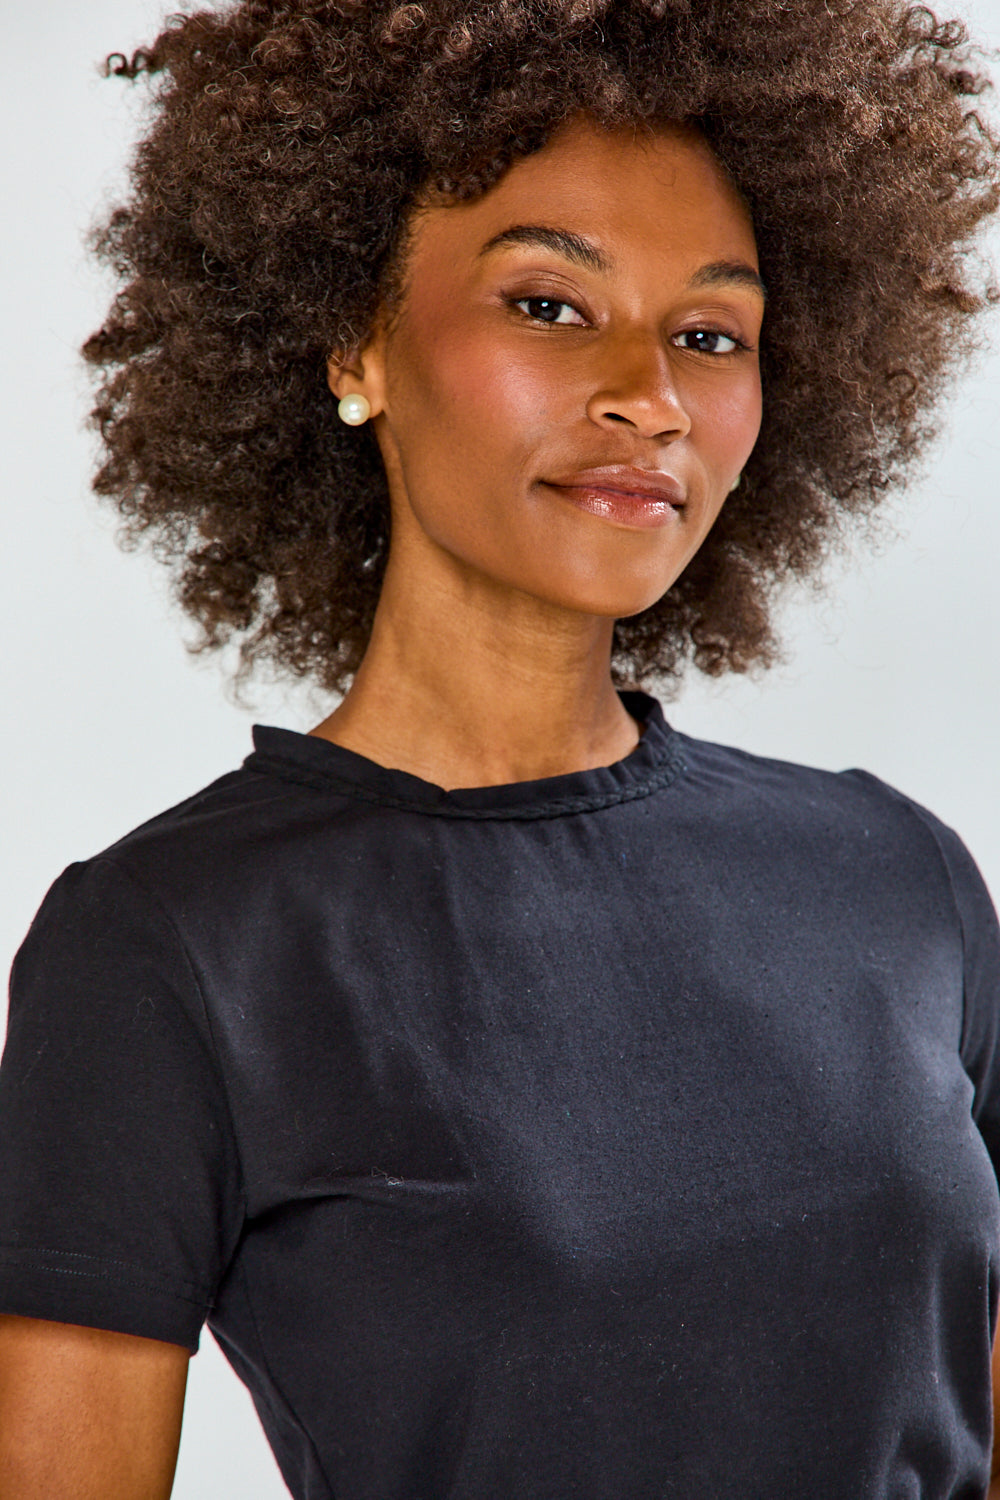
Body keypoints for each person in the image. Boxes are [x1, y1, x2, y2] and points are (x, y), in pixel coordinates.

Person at [1, 0, 999, 1495]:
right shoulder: (168, 949)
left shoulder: (898, 880)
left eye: (710, 334)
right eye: (548, 303)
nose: (649, 397)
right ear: (358, 342)